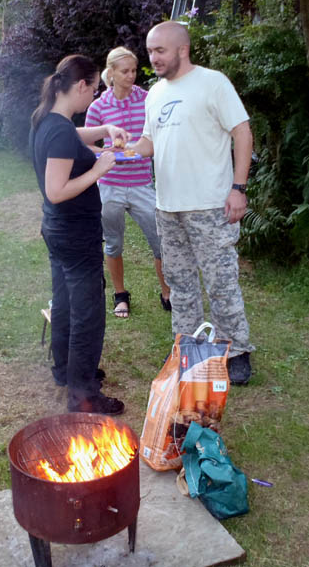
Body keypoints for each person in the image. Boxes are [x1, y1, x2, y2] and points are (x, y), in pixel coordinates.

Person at [128, 21, 255, 385]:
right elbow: (149, 143)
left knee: (220, 282)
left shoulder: (213, 83)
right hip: (168, 206)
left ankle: (236, 351)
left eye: (159, 51)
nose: (153, 58)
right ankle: (187, 346)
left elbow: (242, 132)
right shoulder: (155, 93)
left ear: (182, 50)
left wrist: (238, 188)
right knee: (179, 283)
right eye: (149, 51)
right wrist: (121, 149)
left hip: (210, 205)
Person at [29, 54, 130, 415]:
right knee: (87, 314)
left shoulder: (48, 119)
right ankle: (84, 395)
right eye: (95, 88)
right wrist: (99, 168)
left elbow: (73, 137)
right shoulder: (58, 129)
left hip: (57, 230)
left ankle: (65, 371)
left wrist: (106, 130)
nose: (95, 96)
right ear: (82, 85)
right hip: (74, 233)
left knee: (65, 303)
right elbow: (56, 190)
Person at [84, 46, 171, 319]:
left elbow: (157, 138)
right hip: (110, 185)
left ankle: (167, 293)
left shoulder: (147, 100)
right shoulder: (98, 107)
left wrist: (134, 149)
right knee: (113, 244)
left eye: (134, 70)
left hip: (142, 184)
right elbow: (87, 144)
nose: (131, 75)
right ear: (111, 73)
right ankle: (120, 295)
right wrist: (106, 153)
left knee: (160, 241)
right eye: (125, 71)